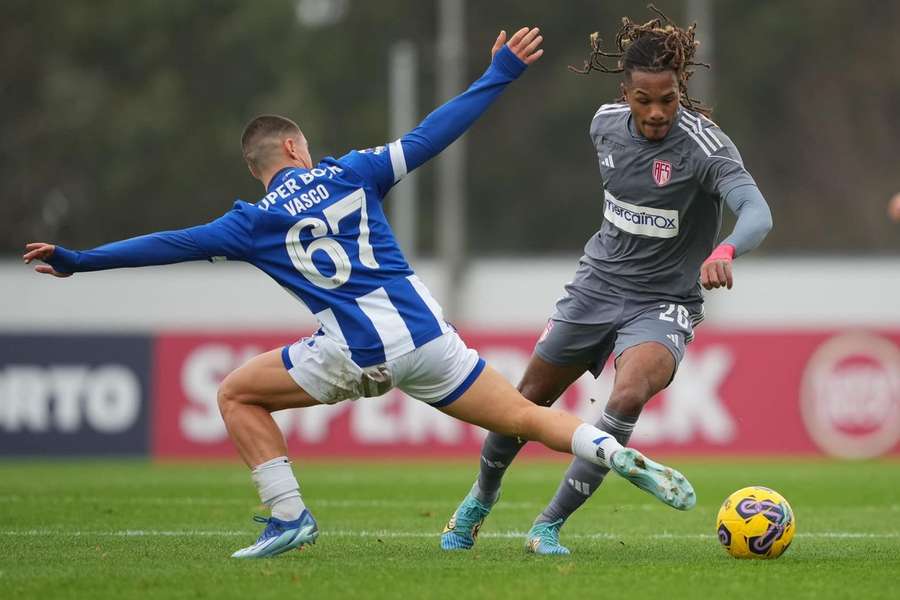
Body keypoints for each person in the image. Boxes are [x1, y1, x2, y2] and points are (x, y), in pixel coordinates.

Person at [23, 27, 695, 560]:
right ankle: (608, 449)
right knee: (523, 416)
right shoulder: (353, 172)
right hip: (429, 336)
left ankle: (288, 517)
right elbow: (432, 135)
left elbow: (166, 245)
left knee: (235, 394)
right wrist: (498, 74)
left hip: (355, 353)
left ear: (263, 163)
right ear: (294, 146)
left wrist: (81, 260)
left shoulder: (249, 222)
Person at [441, 8, 773, 555]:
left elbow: (757, 211)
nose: (657, 112)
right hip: (595, 288)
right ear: (626, 90)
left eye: (667, 99)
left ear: (679, 89)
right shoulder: (603, 124)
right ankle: (479, 499)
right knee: (527, 399)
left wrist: (727, 247)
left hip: (664, 301)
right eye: (644, 100)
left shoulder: (705, 147)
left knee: (628, 395)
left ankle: (548, 525)